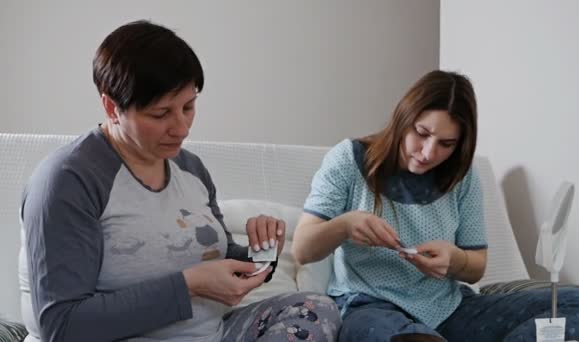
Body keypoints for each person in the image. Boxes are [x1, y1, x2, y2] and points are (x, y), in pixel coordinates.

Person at [19, 20, 340, 342]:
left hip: (212, 334)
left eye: (189, 106)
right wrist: (188, 285)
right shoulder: (68, 181)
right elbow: (62, 325)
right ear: (112, 107)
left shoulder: (190, 168)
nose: (182, 127)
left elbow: (217, 257)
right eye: (161, 114)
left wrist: (262, 253)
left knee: (313, 308)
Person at [292, 70, 579, 341]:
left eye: (446, 144)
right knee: (388, 336)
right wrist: (345, 225)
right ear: (404, 118)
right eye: (422, 133)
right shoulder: (348, 159)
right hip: (370, 308)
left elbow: (476, 267)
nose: (429, 153)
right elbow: (303, 250)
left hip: (450, 310)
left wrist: (454, 259)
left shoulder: (462, 175)